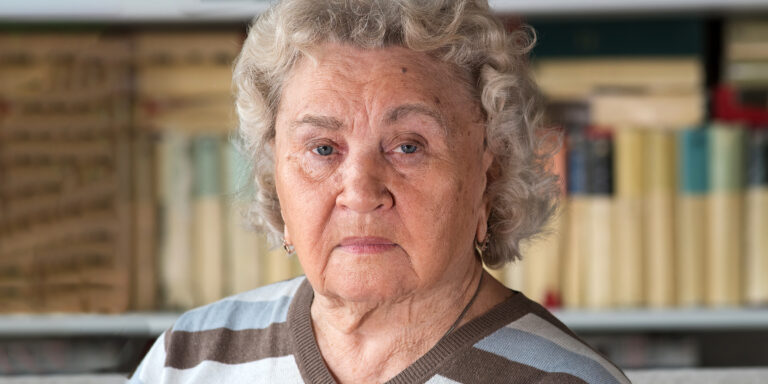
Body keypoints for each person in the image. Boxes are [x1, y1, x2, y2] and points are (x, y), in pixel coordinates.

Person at [130, 0, 630, 383]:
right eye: (323, 148)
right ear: (272, 175)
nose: (361, 192)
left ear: (488, 175)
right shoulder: (188, 361)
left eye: (408, 146)